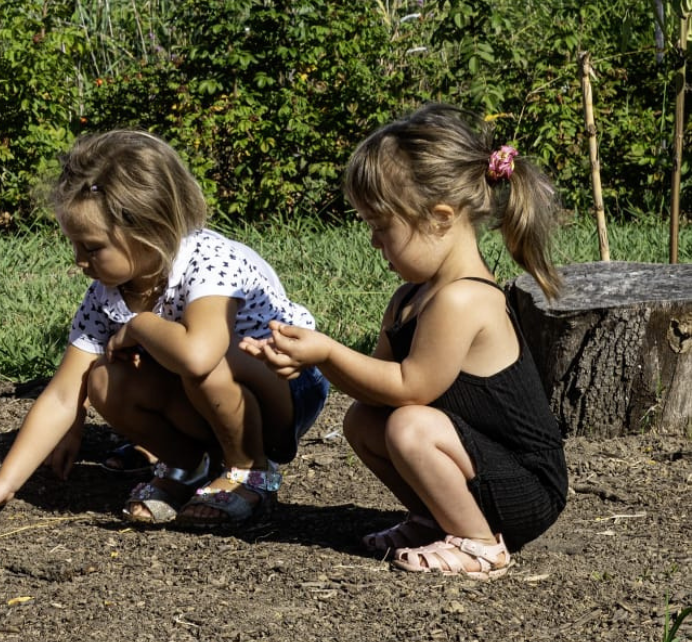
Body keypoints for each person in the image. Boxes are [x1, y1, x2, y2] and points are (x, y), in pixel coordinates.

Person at [242, 104, 567, 579]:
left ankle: (480, 545)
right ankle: (438, 519)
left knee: (409, 425)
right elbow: (378, 390)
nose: (374, 242)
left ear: (439, 217)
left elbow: (410, 388)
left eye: (381, 226)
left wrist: (328, 351)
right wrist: (304, 357)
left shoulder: (464, 299)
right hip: (479, 470)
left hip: (527, 488)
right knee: (366, 421)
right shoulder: (409, 299)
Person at [0, 130, 327, 530]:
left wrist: (140, 324)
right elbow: (65, 392)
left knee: (200, 360)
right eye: (75, 246)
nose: (79, 261)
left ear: (148, 231)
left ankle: (248, 472)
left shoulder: (209, 262)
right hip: (205, 394)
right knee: (103, 379)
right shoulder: (107, 291)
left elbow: (199, 354)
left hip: (287, 389)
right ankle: (191, 466)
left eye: (92, 247)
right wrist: (6, 481)